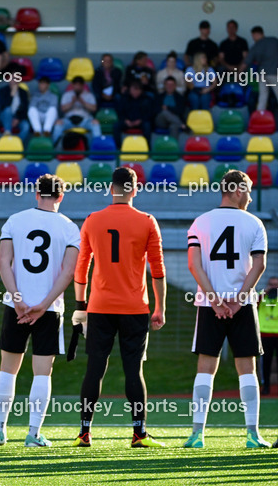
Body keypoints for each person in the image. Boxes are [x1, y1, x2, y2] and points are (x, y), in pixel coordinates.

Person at [71, 167, 166, 448]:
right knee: (134, 370)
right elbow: (157, 270)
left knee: (94, 368)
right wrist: (160, 308)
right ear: (135, 190)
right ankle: (139, 434)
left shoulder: (92, 220)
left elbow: (81, 268)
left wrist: (80, 306)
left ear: (111, 189)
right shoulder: (147, 221)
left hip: (99, 307)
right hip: (135, 307)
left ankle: (84, 432)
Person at [0, 175, 80, 447]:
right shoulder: (69, 227)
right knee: (43, 372)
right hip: (48, 309)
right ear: (60, 197)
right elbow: (68, 272)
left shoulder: (15, 220)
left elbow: (3, 262)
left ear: (36, 194)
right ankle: (33, 433)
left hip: (16, 306)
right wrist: (44, 304)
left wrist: (17, 298)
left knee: (8, 369)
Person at [184, 170, 270, 449]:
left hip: (210, 305)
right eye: (247, 189)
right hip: (242, 306)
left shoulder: (200, 222)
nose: (249, 195)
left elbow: (194, 265)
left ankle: (197, 434)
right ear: (235, 190)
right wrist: (237, 300)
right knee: (247, 368)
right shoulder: (254, 223)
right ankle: (253, 434)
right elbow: (259, 266)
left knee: (205, 368)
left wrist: (216, 301)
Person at [55, 76, 100, 142]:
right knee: (58, 123)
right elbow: (63, 109)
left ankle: (97, 147)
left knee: (95, 123)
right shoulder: (67, 95)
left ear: (83, 85)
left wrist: (83, 102)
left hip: (85, 120)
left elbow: (94, 108)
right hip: (69, 120)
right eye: (76, 84)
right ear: (72, 85)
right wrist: (72, 102)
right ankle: (55, 147)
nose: (77, 86)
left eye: (79, 84)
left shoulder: (89, 95)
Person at [247, 26, 278, 112]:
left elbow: (247, 61)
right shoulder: (274, 40)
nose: (253, 38)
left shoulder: (257, 45)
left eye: (253, 36)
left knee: (263, 97)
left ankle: (260, 116)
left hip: (263, 74)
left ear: (256, 34)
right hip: (274, 73)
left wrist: (238, 74)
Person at [258, 276, 278, 395]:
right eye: (271, 284)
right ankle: (266, 387)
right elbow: (253, 303)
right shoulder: (262, 297)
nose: (274, 288)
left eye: (276, 285)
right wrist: (266, 292)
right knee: (266, 362)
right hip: (265, 335)